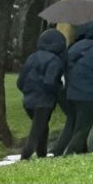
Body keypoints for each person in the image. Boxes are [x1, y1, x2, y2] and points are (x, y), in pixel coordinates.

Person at [54, 19, 93, 155]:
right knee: (84, 127)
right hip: (91, 95)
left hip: (71, 93)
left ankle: (58, 150)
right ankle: (71, 153)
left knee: (71, 123)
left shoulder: (74, 47)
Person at [16, 28, 66, 159]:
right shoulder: (55, 60)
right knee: (37, 130)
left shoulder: (32, 57)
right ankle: (25, 156)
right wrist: (59, 91)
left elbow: (20, 81)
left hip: (28, 100)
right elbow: (50, 82)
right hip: (44, 101)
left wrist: (28, 91)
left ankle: (41, 154)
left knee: (42, 127)